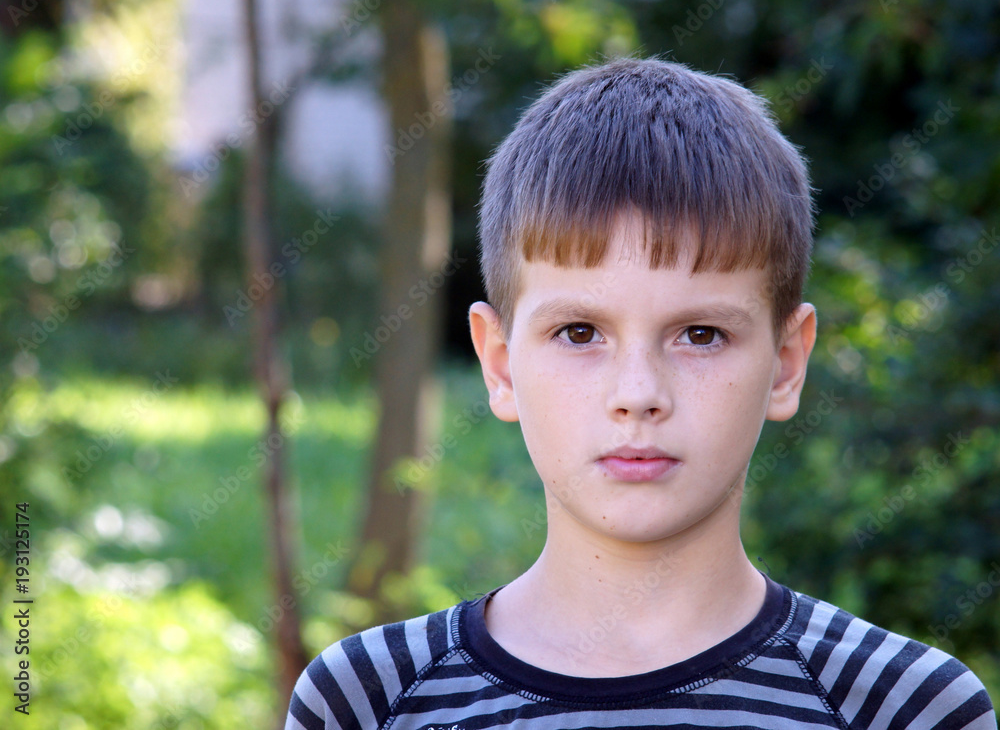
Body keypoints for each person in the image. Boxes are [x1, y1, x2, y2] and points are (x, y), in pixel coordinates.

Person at [285, 57, 997, 729]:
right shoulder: (367, 701)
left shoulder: (905, 708)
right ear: (499, 363)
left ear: (785, 363)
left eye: (701, 335)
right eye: (578, 332)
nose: (638, 394)